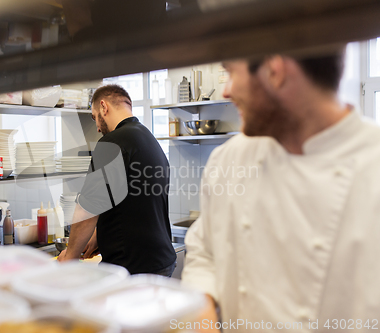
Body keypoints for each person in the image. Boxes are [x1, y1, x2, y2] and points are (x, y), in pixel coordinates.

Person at [182, 49, 380, 332]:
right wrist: (203, 312)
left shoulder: (373, 168)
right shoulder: (229, 160)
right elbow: (204, 252)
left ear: (274, 70)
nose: (226, 91)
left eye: (230, 73)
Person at [58, 84, 176, 277]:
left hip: (132, 267)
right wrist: (98, 236)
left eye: (95, 117)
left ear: (104, 107)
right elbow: (135, 204)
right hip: (160, 261)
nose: (97, 127)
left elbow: (87, 210)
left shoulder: (112, 142)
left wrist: (70, 255)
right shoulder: (148, 139)